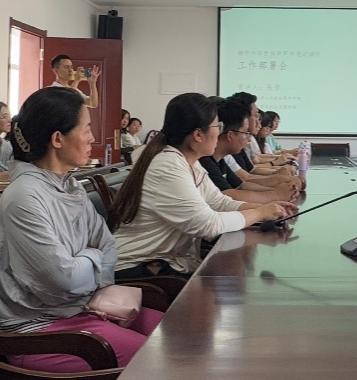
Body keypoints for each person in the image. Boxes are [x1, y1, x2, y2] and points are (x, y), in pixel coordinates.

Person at [0, 87, 160, 371]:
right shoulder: (24, 197)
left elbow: (108, 247)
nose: (93, 138)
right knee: (163, 359)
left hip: (86, 308)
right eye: (87, 129)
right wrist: (92, 256)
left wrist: (85, 263)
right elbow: (63, 281)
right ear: (57, 139)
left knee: (178, 335)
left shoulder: (70, 185)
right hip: (41, 332)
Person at [108, 93, 297, 280]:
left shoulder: (189, 161)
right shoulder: (167, 166)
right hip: (136, 267)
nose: (220, 133)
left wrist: (270, 209)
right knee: (229, 283)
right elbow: (208, 225)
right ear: (198, 134)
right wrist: (259, 213)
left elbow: (219, 202)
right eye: (217, 127)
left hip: (164, 260)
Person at [201, 99, 296, 203]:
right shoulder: (204, 161)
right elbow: (228, 195)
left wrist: (279, 190)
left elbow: (241, 185)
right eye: (245, 133)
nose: (258, 123)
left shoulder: (221, 159)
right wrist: (276, 194)